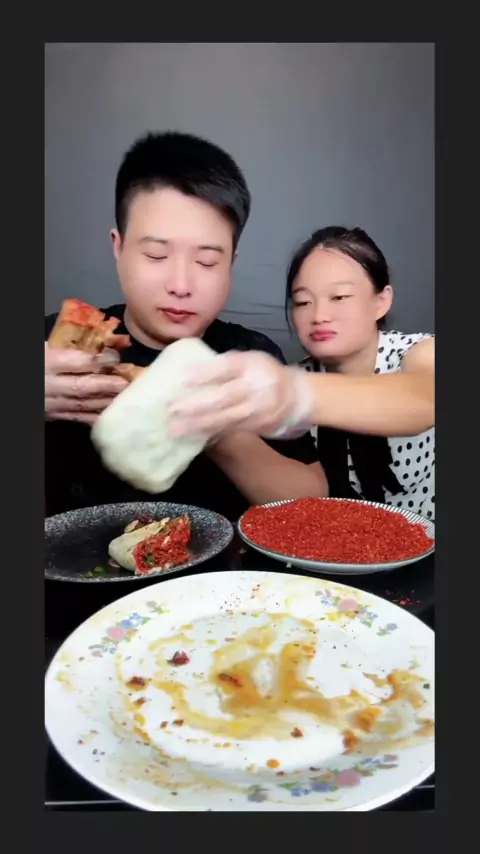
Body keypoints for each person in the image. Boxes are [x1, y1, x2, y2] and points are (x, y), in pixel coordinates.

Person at [45, 131, 327, 520]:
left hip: (221, 561)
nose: (181, 284)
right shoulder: (52, 349)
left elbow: (312, 504)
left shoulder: (251, 360)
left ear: (231, 262)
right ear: (119, 248)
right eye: (156, 255)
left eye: (207, 261)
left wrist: (218, 430)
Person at [169, 226, 435, 519]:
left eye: (339, 297)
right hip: (332, 543)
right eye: (303, 302)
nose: (319, 315)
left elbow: (425, 397)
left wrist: (293, 393)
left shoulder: (419, 351)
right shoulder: (282, 379)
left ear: (381, 301)